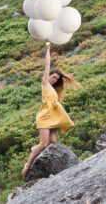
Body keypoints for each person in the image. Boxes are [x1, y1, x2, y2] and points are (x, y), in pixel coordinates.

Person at [22, 42, 82, 178]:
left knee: (53, 142)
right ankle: (28, 164)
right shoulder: (45, 83)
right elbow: (47, 65)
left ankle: (44, 161)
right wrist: (48, 49)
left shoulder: (53, 89)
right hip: (44, 116)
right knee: (43, 143)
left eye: (56, 79)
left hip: (53, 116)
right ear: (49, 76)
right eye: (53, 77)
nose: (54, 80)